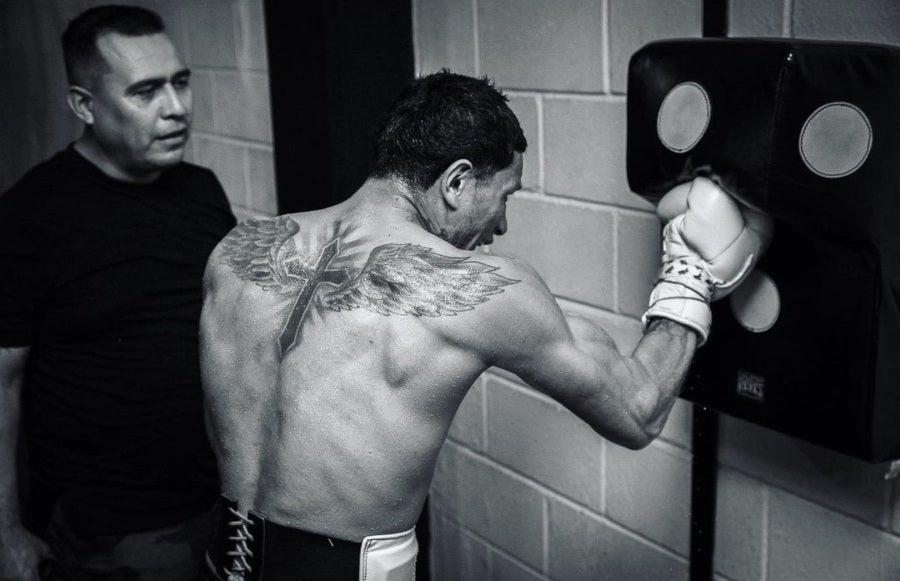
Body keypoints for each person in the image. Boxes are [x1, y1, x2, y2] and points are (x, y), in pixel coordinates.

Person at [199, 70, 769, 580]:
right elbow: (638, 409)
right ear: (456, 181)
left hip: (224, 558)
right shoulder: (484, 291)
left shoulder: (238, 250)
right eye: (504, 197)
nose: (501, 224)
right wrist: (687, 282)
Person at [0, 5, 236, 580]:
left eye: (180, 83)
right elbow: (1, 379)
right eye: (146, 92)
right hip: (108, 529)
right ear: (85, 106)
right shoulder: (33, 215)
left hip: (219, 504)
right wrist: (5, 529)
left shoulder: (201, 190)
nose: (176, 109)